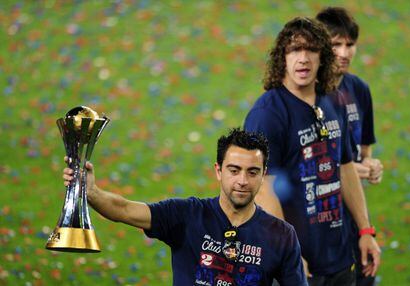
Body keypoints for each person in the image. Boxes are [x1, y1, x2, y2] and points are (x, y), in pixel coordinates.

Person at [62, 128, 308, 286]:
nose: (242, 181)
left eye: (252, 172)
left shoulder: (282, 236)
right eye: (234, 170)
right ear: (218, 171)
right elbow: (123, 209)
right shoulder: (186, 215)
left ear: (263, 174)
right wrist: (90, 192)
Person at [243, 17, 381, 285]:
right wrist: (288, 250)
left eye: (311, 50)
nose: (303, 58)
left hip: (340, 256)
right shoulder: (267, 114)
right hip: (297, 263)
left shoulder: (332, 100)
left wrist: (365, 230)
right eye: (294, 50)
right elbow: (263, 188)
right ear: (282, 57)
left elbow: (345, 167)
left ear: (323, 57)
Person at [316, 7, 384, 286]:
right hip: (316, 219)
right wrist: (345, 169)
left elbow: (363, 153)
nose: (344, 53)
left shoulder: (359, 89)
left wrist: (371, 165)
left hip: (352, 216)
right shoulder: (308, 92)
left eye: (350, 44)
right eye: (336, 44)